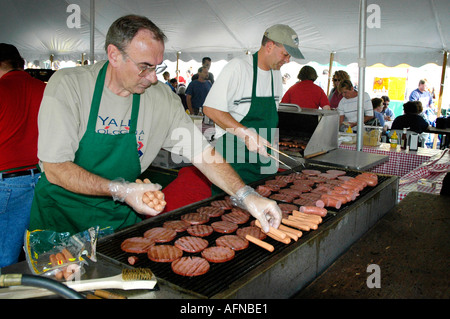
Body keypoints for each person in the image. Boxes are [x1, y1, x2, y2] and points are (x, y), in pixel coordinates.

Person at [28, 15, 281, 235]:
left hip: (115, 221)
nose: (152, 78)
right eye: (144, 67)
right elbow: (56, 168)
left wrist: (247, 196)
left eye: (157, 68)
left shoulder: (160, 98)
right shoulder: (70, 86)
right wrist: (121, 190)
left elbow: (203, 154)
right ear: (114, 55)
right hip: (60, 221)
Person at [203, 24, 304, 195]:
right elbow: (211, 109)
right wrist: (246, 133)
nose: (288, 60)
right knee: (230, 216)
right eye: (286, 54)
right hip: (234, 162)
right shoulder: (239, 68)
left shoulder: (275, 74)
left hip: (263, 162)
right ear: (270, 46)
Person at [0, 43, 46, 267]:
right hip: (40, 178)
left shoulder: (2, 89)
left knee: (4, 254)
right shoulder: (43, 88)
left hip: (7, 180)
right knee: (32, 249)